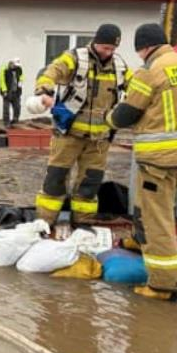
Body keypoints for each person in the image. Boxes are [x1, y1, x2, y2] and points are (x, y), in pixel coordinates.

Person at [106, 23, 177, 301]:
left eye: (139, 51)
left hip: (160, 159)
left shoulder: (150, 71)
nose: (140, 56)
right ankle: (141, 241)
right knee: (147, 202)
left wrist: (108, 119)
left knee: (157, 218)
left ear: (145, 47)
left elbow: (126, 114)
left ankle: (165, 284)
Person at [31, 24, 132, 226]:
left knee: (89, 185)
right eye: (105, 47)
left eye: (112, 49)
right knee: (55, 180)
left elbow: (137, 88)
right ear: (96, 42)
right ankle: (44, 223)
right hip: (68, 134)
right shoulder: (75, 58)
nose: (108, 52)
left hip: (99, 140)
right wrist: (44, 92)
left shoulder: (120, 67)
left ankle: (82, 224)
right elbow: (51, 73)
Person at [0, 58, 24, 127]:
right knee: (6, 108)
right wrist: (4, 91)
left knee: (17, 107)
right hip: (7, 91)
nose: (15, 67)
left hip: (16, 92)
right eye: (14, 65)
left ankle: (15, 120)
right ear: (11, 63)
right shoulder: (4, 69)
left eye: (16, 65)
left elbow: (21, 78)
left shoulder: (19, 69)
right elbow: (2, 81)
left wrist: (20, 88)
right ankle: (6, 122)